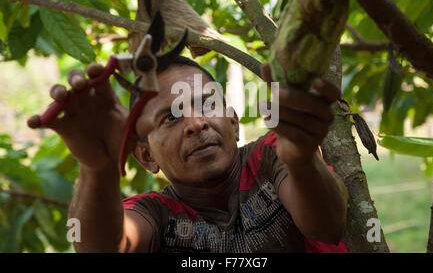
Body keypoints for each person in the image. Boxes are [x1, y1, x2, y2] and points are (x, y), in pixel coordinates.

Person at [28, 55, 348, 253]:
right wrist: (97, 167)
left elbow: (327, 226)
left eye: (208, 104)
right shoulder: (154, 213)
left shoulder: (272, 154)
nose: (196, 123)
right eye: (170, 117)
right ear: (145, 156)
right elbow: (104, 247)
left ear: (234, 123)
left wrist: (302, 161)